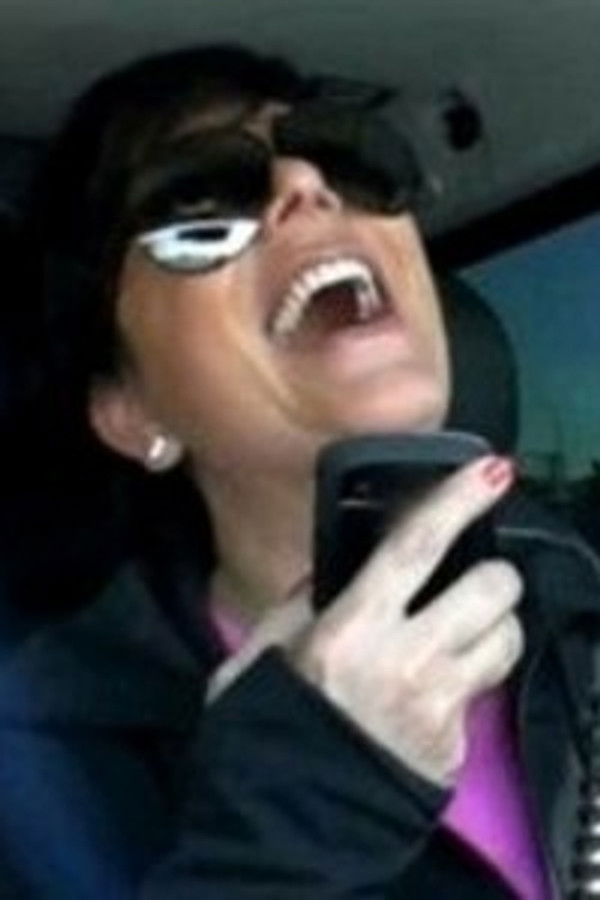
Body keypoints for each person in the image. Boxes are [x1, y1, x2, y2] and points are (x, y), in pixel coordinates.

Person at [0, 44, 597, 899]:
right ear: (132, 412)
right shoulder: (37, 765)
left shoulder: (580, 595)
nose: (307, 184)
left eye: (349, 163)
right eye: (199, 198)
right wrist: (304, 814)